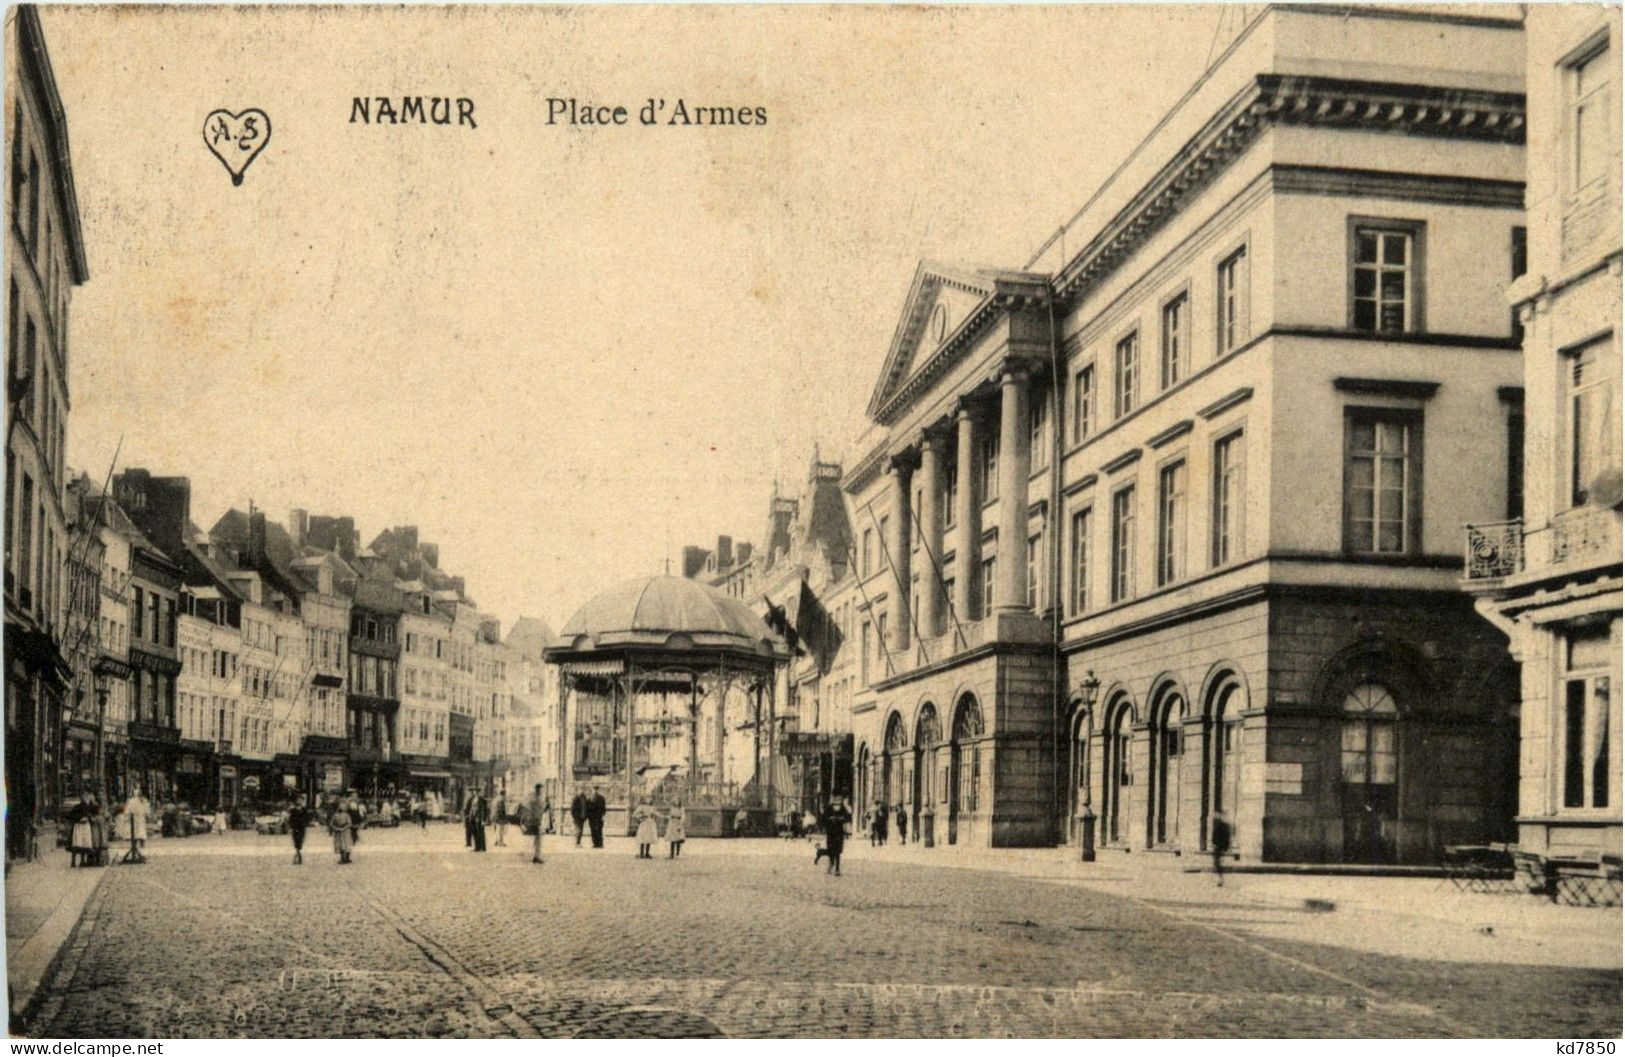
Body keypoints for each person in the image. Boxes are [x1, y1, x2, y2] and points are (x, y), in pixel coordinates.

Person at [820, 796, 853, 876]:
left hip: (839, 832)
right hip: (830, 832)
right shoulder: (829, 808)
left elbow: (847, 818)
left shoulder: (842, 808)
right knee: (830, 849)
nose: (837, 800)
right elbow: (823, 819)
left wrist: (840, 818)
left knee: (838, 851)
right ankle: (831, 864)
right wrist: (830, 819)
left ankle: (837, 868)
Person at [67, 792, 98, 868]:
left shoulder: (90, 806)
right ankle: (74, 862)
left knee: (84, 843)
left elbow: (95, 812)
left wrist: (89, 818)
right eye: (87, 797)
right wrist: (79, 819)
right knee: (77, 843)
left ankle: (82, 861)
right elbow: (70, 815)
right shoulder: (78, 806)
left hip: (86, 826)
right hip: (79, 826)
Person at [121, 788, 150, 863]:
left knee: (141, 837)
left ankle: (141, 853)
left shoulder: (142, 801)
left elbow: (147, 812)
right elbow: (127, 812)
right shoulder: (132, 801)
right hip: (135, 822)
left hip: (140, 821)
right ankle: (137, 852)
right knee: (137, 837)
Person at [1211, 810, 1232, 887]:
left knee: (1216, 863)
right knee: (1216, 863)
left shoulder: (1220, 825)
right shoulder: (1223, 825)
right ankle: (1220, 879)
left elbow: (1225, 837)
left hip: (1218, 847)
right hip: (1219, 846)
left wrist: (1216, 844)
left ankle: (1220, 879)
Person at [330, 798, 355, 865]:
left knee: (347, 844)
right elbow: (331, 823)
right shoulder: (335, 815)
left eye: (343, 806)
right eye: (340, 806)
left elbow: (350, 823)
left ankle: (346, 858)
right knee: (340, 844)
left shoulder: (347, 815)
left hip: (346, 832)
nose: (341, 808)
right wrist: (336, 828)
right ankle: (342, 858)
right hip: (339, 832)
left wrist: (344, 828)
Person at [288, 799, 312, 865]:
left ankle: (297, 856)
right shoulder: (293, 811)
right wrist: (291, 826)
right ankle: (298, 855)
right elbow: (290, 819)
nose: (299, 802)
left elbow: (307, 818)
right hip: (295, 828)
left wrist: (305, 824)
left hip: (301, 828)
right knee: (296, 841)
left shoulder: (304, 810)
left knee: (300, 841)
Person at [527, 784, 545, 864]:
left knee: (537, 840)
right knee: (537, 840)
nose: (542, 791)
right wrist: (538, 821)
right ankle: (536, 856)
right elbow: (536, 812)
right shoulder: (535, 799)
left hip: (536, 821)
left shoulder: (535, 798)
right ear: (538, 790)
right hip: (535, 821)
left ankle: (536, 856)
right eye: (541, 790)